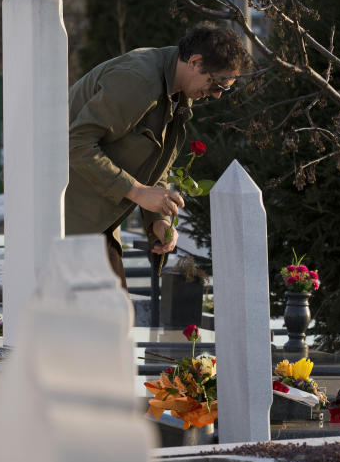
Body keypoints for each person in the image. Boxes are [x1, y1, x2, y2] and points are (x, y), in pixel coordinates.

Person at [65, 23, 250, 287]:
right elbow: (76, 143)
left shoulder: (177, 94)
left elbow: (155, 167)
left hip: (94, 222)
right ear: (195, 62)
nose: (218, 95)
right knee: (103, 321)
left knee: (110, 319)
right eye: (217, 83)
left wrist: (158, 220)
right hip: (62, 220)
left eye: (226, 88)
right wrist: (136, 191)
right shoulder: (138, 80)